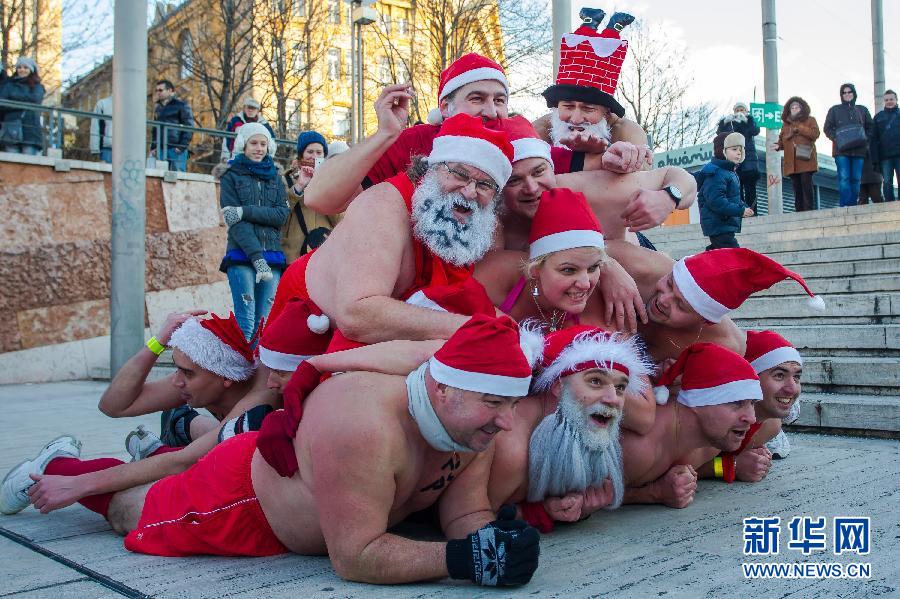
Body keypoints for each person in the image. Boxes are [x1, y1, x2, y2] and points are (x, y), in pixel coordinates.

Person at [19, 316, 545, 587]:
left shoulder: (473, 421)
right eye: (495, 404)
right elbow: (355, 557)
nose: (506, 422)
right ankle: (60, 466)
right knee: (125, 514)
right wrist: (464, 559)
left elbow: (466, 513)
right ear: (443, 389)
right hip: (241, 498)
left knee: (160, 476)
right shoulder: (365, 426)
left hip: (286, 475)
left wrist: (493, 539)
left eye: (511, 406)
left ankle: (129, 459)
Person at [0, 312, 281, 516]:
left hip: (241, 459)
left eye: (187, 372)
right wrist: (157, 343)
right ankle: (52, 466)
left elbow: (183, 460)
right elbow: (114, 405)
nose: (176, 381)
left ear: (225, 378)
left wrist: (78, 484)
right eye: (176, 368)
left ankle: (162, 441)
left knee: (201, 462)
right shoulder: (208, 378)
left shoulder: (256, 396)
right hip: (221, 449)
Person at [269, 113, 514, 346]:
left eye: (485, 185)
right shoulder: (384, 204)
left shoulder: (466, 226)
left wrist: (509, 330)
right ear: (432, 168)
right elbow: (357, 314)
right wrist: (474, 329)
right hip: (300, 333)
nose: (470, 192)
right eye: (459, 174)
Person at [488, 325, 654, 532]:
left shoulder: (577, 430)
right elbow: (476, 519)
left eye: (620, 387)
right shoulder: (511, 444)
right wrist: (540, 513)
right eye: (595, 381)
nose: (614, 399)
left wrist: (553, 510)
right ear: (558, 386)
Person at [605, 243, 825, 364]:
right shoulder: (644, 267)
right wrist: (607, 265)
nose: (663, 299)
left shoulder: (725, 346)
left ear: (704, 321)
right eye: (670, 284)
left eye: (681, 305)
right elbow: (582, 244)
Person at [621, 343, 762, 508]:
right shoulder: (640, 448)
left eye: (753, 403)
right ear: (697, 401)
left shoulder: (712, 442)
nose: (752, 418)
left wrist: (728, 467)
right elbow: (587, 498)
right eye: (737, 403)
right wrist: (654, 493)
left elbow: (703, 469)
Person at [534, 9, 651, 178]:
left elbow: (643, 180)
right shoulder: (540, 130)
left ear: (607, 112)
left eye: (588, 109)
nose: (575, 119)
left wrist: (606, 157)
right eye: (567, 106)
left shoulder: (627, 132)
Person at [217, 122, 289, 340]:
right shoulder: (230, 176)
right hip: (241, 255)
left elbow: (281, 216)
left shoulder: (276, 179)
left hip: (273, 256)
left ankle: (258, 373)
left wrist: (244, 211)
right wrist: (257, 259)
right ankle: (241, 373)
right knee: (246, 321)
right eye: (254, 143)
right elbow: (236, 223)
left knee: (265, 322)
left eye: (263, 144)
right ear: (243, 145)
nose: (259, 148)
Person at [282, 130, 338, 262]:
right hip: (294, 255)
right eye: (310, 152)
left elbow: (340, 220)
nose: (314, 156)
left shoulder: (333, 181)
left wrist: (324, 187)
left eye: (319, 153)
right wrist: (298, 188)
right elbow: (280, 214)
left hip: (323, 254)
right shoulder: (286, 180)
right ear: (301, 154)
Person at [697, 132, 754, 250]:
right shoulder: (716, 173)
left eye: (740, 150)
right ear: (722, 151)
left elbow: (733, 198)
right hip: (718, 224)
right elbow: (715, 200)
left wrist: (744, 207)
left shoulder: (730, 172)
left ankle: (705, 263)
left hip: (724, 224)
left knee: (719, 252)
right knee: (734, 254)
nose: (738, 152)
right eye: (734, 149)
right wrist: (739, 210)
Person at [824, 83, 873, 207]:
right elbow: (827, 128)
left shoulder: (862, 109)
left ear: (854, 93)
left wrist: (865, 139)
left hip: (859, 150)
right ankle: (845, 205)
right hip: (841, 151)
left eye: (849, 92)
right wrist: (836, 138)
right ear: (841, 95)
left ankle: (852, 206)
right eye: (844, 92)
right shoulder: (834, 110)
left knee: (856, 179)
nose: (847, 94)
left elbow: (871, 127)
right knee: (844, 178)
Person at [773, 96, 820, 212]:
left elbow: (815, 134)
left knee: (806, 183)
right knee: (796, 186)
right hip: (791, 161)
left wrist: (800, 128)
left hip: (805, 158)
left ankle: (809, 209)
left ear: (802, 108)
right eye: (792, 107)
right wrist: (779, 145)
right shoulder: (785, 124)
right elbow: (782, 138)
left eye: (797, 107)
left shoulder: (810, 120)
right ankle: (799, 210)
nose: (794, 109)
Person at [717, 102, 761, 213]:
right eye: (737, 110)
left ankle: (752, 211)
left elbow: (755, 131)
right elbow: (720, 135)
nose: (739, 112)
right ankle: (741, 212)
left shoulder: (749, 122)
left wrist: (747, 120)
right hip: (735, 162)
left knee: (750, 189)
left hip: (749, 161)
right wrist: (724, 123)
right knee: (736, 189)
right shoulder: (731, 123)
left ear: (746, 111)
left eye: (742, 110)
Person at [0, 56, 45, 155]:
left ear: (31, 70)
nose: (22, 70)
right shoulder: (9, 85)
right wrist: (25, 103)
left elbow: (35, 100)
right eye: (19, 67)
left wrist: (12, 100)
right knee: (11, 166)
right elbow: (2, 104)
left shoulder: (38, 86)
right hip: (10, 130)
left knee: (30, 166)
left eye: (25, 67)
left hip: (31, 131)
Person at [150, 80, 194, 172]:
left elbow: (189, 127)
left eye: (160, 90)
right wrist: (153, 147)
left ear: (170, 90)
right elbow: (155, 129)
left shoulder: (181, 105)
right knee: (159, 178)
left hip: (176, 149)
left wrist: (181, 147)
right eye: (157, 90)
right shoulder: (158, 108)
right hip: (160, 149)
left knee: (178, 178)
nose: (158, 92)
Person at [220, 97, 274, 161]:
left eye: (253, 108)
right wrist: (225, 156)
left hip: (257, 159)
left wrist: (270, 158)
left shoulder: (264, 124)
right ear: (244, 108)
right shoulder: (235, 120)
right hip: (235, 156)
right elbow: (226, 138)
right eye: (249, 107)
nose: (250, 110)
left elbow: (272, 142)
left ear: (257, 110)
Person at [871, 89, 900, 202]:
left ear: (896, 100)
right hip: (885, 156)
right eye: (886, 100)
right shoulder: (878, 117)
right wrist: (875, 159)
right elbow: (873, 139)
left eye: (891, 99)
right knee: (887, 181)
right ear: (884, 101)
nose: (889, 101)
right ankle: (889, 203)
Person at [90, 95, 113, 164]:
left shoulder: (131, 105)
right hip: (107, 149)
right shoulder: (102, 103)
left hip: (127, 151)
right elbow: (95, 127)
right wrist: (95, 150)